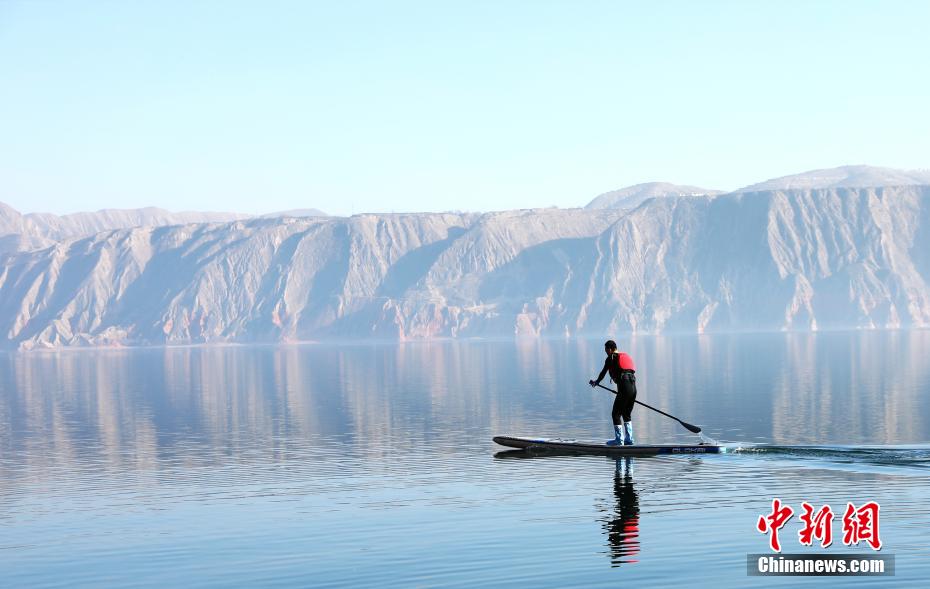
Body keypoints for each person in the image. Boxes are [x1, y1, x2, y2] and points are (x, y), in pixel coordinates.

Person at [589, 340, 637, 445]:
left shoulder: (610, 358)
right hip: (633, 389)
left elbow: (603, 372)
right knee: (626, 414)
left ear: (610, 349)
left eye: (606, 350)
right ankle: (629, 439)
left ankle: (619, 441)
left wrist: (596, 382)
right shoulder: (622, 356)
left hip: (624, 388)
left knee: (615, 414)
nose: (605, 352)